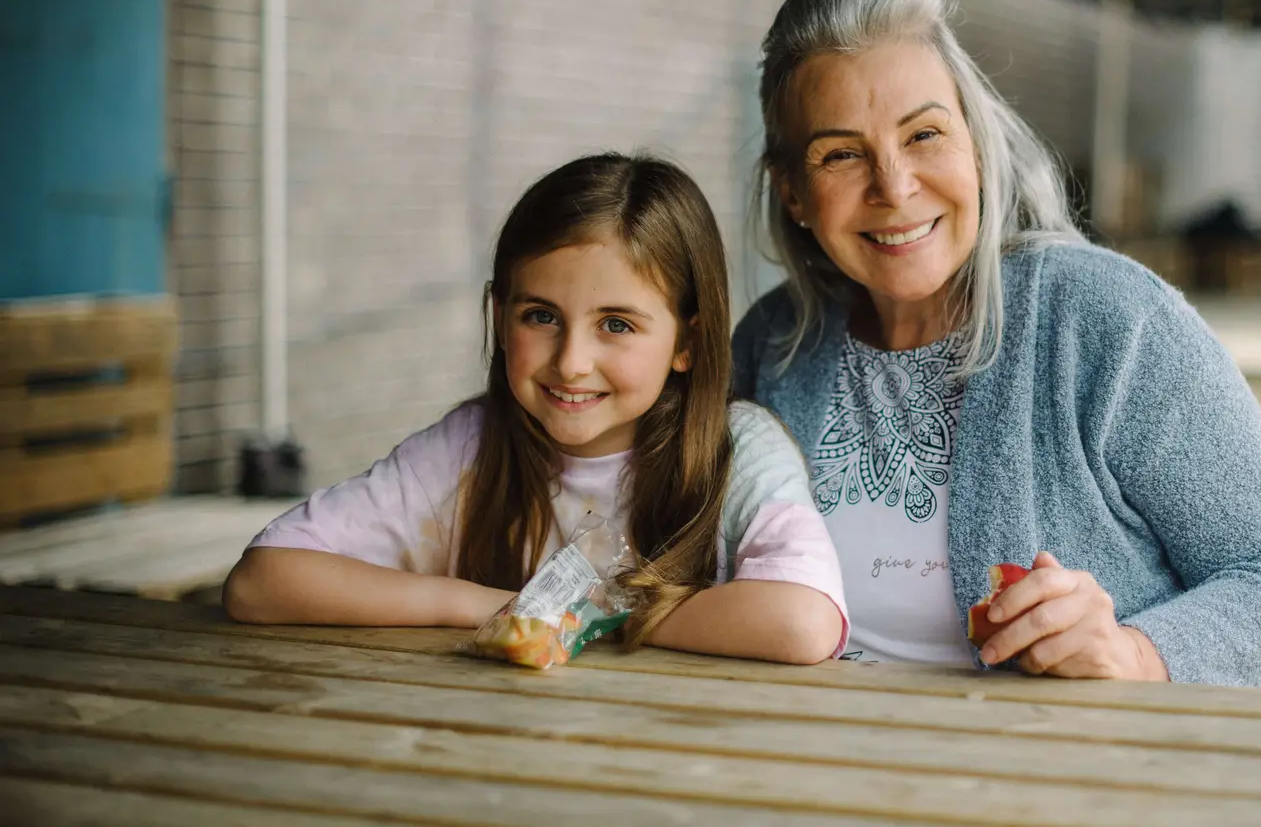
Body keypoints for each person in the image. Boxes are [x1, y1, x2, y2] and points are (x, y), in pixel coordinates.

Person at [733, 0, 1261, 686]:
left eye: (925, 134)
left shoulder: (1105, 321)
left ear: (976, 139)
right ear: (793, 193)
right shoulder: (771, 344)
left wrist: (1135, 653)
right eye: (840, 154)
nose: (895, 188)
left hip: (1070, 781)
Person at [226, 153, 848, 665]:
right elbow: (263, 581)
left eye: (616, 324)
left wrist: (584, 614)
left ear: (686, 341)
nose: (572, 361)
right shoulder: (469, 448)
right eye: (542, 316)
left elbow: (801, 621)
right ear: (501, 317)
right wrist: (488, 605)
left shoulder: (737, 451)